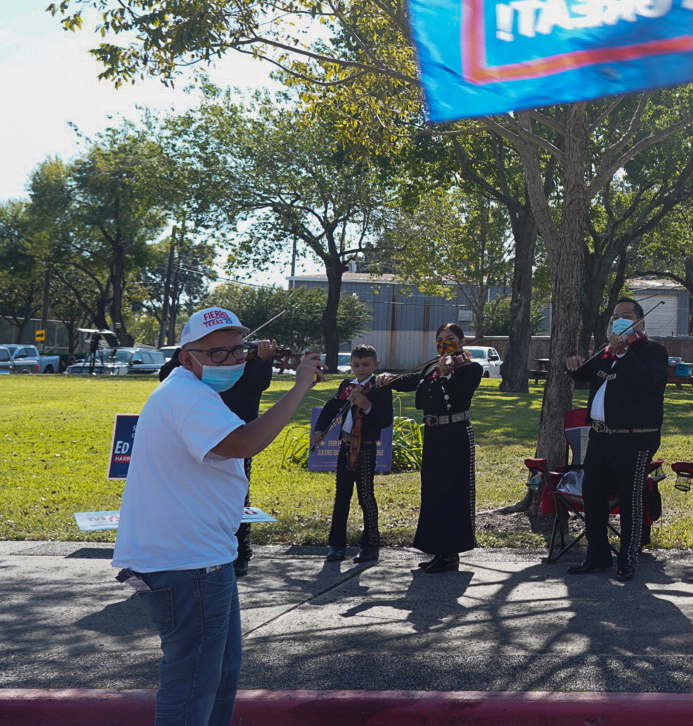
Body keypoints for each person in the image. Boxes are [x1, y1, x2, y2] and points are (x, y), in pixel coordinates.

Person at [114, 306, 324, 726]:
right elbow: (245, 443)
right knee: (192, 684)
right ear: (186, 357)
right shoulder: (185, 397)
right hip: (187, 564)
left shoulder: (194, 392)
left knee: (220, 676)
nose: (229, 361)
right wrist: (300, 385)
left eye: (237, 351)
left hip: (206, 558)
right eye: (216, 354)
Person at [564, 297, 669, 582]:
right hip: (601, 436)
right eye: (615, 316)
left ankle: (628, 559)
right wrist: (572, 365)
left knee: (630, 498)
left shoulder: (653, 351)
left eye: (626, 315)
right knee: (593, 495)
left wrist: (625, 354)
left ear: (640, 321)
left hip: (635, 439)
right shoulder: (606, 353)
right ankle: (597, 556)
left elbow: (646, 381)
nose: (619, 320)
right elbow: (584, 373)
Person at [159, 337, 280, 576]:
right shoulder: (195, 363)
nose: (229, 357)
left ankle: (241, 553)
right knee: (194, 496)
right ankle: (193, 550)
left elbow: (259, 382)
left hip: (236, 436)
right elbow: (165, 374)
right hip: (199, 436)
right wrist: (186, 352)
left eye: (236, 349)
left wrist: (264, 360)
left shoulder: (248, 363)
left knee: (237, 498)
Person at [377, 323, 481, 573]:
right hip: (434, 434)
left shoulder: (470, 368)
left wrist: (448, 374)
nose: (444, 343)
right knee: (434, 492)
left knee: (452, 493)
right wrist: (388, 379)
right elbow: (409, 381)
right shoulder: (431, 366)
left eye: (450, 338)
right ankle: (437, 550)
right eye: (440, 339)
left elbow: (461, 392)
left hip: (456, 434)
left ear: (461, 342)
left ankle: (451, 553)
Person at [313, 344, 393, 565]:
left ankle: (370, 545)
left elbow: (385, 420)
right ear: (350, 366)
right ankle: (337, 544)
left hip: (365, 447)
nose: (360, 369)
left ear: (375, 365)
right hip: (346, 445)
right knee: (342, 497)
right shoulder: (347, 385)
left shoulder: (380, 387)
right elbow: (332, 407)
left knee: (366, 497)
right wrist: (320, 429)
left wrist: (367, 406)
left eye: (366, 365)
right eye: (356, 365)